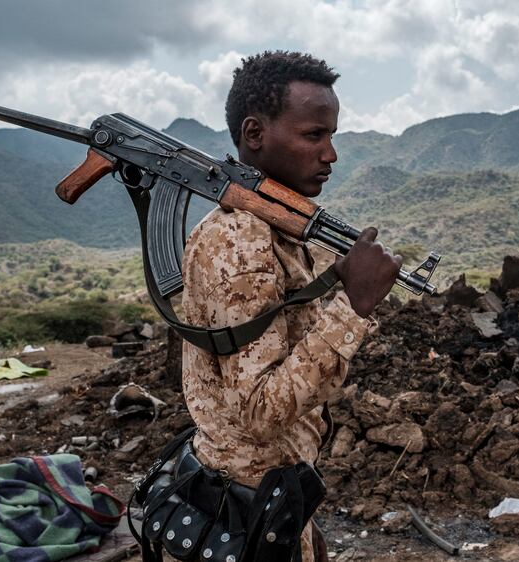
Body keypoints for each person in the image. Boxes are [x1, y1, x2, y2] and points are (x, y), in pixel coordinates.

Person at [179, 51, 402, 561]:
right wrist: (354, 306)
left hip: (272, 498)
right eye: (313, 135)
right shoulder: (238, 244)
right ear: (254, 134)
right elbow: (260, 409)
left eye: (331, 135)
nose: (331, 154)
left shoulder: (282, 230)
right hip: (241, 511)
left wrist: (302, 515)